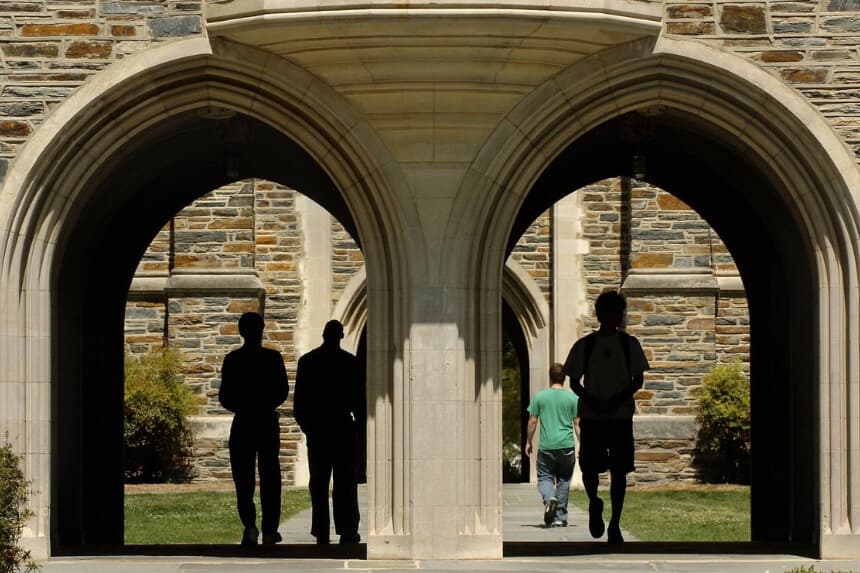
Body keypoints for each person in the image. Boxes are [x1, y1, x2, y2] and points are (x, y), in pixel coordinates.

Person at [563, 290, 650, 543]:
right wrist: (592, 400)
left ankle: (615, 524)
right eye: (610, 312)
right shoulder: (586, 345)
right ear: (600, 314)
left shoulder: (629, 344)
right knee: (589, 469)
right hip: (593, 417)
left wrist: (618, 399)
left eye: (618, 312)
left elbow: (639, 378)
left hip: (620, 417)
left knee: (619, 472)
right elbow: (574, 381)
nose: (615, 316)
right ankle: (594, 502)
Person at [219, 312, 289, 547]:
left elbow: (224, 396)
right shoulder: (273, 359)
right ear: (262, 330)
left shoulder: (233, 360)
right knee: (270, 476)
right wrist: (264, 405)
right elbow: (282, 391)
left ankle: (250, 526)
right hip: (266, 421)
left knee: (243, 477)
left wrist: (244, 406)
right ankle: (270, 529)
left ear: (240, 331)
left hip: (244, 421)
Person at [294, 319, 363, 545]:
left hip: (320, 429)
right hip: (341, 428)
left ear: (324, 335)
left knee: (320, 483)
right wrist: (358, 431)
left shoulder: (308, 362)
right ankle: (347, 529)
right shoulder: (350, 363)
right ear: (340, 336)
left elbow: (300, 404)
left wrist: (310, 428)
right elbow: (359, 402)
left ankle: (321, 530)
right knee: (345, 483)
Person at [524, 363, 580, 527]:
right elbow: (578, 423)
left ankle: (550, 499)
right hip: (567, 445)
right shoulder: (573, 398)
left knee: (544, 477)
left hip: (547, 446)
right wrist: (581, 445)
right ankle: (560, 517)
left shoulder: (540, 397)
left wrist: (528, 441)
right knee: (564, 480)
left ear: (550, 377)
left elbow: (532, 421)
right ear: (564, 378)